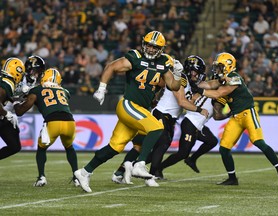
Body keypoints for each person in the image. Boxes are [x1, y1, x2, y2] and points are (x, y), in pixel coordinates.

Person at [74, 30, 182, 193]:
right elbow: (112, 67)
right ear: (144, 44)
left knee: (115, 147)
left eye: (155, 47)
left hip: (140, 109)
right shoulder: (135, 57)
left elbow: (173, 86)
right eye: (149, 45)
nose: (151, 49)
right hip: (129, 104)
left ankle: (84, 172)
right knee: (157, 128)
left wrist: (178, 73)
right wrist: (102, 88)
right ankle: (139, 165)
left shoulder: (164, 63)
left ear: (161, 49)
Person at [112, 55, 209, 187]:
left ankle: (123, 170)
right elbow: (181, 102)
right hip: (163, 115)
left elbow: (207, 86)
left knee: (142, 145)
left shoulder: (188, 82)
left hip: (168, 116)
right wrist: (199, 109)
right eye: (196, 72)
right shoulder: (181, 79)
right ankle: (150, 175)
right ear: (190, 70)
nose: (198, 75)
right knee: (162, 144)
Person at [195, 52, 278, 185]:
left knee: (258, 142)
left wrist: (199, 91)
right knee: (224, 147)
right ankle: (232, 178)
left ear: (228, 66)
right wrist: (195, 84)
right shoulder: (222, 79)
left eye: (220, 66)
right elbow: (210, 85)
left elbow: (219, 92)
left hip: (248, 113)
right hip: (236, 116)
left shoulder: (234, 77)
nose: (217, 69)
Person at [157, 56, 229, 178]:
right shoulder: (214, 90)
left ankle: (192, 159)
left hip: (197, 124)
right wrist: (230, 113)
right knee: (183, 152)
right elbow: (216, 114)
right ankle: (158, 168)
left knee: (211, 141)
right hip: (191, 122)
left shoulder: (210, 88)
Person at [13, 68, 79, 187]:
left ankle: (41, 177)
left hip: (53, 122)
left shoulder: (37, 90)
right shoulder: (65, 91)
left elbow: (21, 110)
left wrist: (17, 103)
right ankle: (76, 177)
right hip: (70, 123)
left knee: (41, 148)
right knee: (69, 148)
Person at [0, 57, 25, 160]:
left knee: (14, 146)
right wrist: (7, 114)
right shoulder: (7, 82)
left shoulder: (5, 81)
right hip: (2, 115)